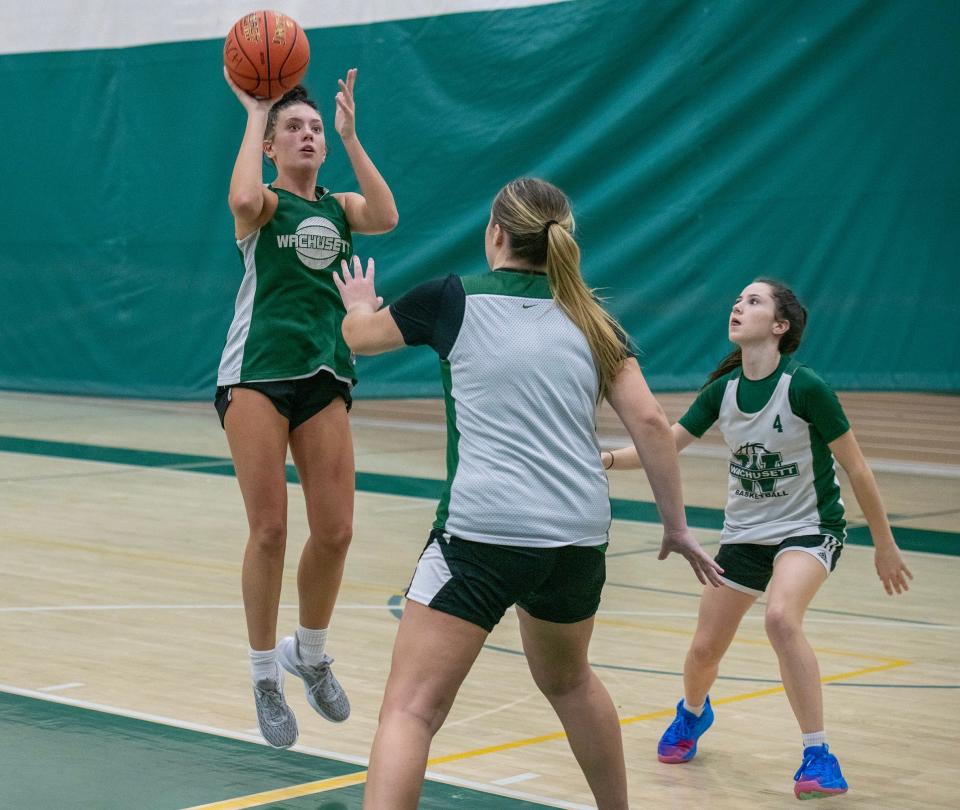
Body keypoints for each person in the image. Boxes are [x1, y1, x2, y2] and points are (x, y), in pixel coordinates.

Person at [332, 177, 723, 810]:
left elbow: (358, 339)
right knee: (569, 683)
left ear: (495, 234)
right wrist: (676, 525)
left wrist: (357, 302)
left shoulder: (452, 299)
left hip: (480, 537)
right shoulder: (592, 319)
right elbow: (651, 423)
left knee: (409, 711)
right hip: (576, 539)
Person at [602, 278, 913, 800]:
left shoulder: (805, 386)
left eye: (753, 301)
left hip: (809, 529)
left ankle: (818, 754)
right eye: (737, 299)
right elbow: (664, 445)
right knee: (704, 650)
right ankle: (692, 715)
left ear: (780, 325)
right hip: (745, 534)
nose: (738, 306)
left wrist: (884, 543)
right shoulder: (722, 392)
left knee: (779, 618)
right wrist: (605, 460)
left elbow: (856, 469)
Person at [216, 67, 398, 749]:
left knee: (337, 531)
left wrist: (351, 137)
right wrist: (255, 112)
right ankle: (265, 671)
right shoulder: (263, 205)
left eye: (314, 127)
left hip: (324, 373)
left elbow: (387, 217)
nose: (306, 134)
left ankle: (310, 654)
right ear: (270, 145)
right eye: (293, 128)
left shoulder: (341, 206)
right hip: (257, 375)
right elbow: (237, 196)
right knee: (268, 530)